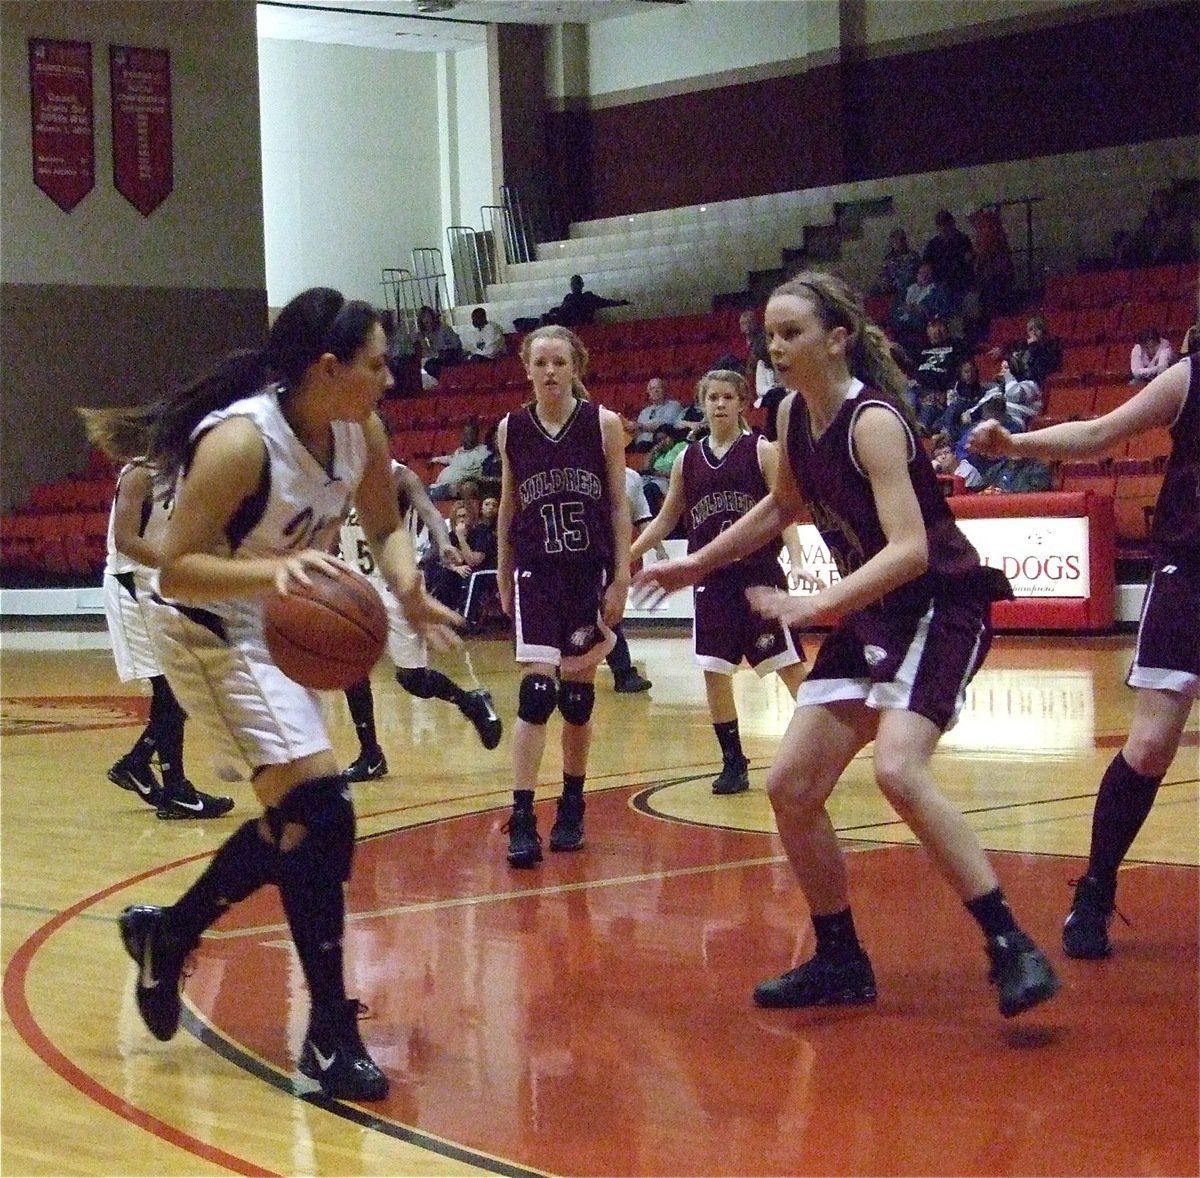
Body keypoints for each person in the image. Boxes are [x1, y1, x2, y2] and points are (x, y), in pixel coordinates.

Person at [634, 271, 1060, 1019]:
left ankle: (1010, 944)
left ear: (837, 339)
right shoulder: (793, 417)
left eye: (791, 332)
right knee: (790, 786)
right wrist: (697, 562)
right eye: (768, 334)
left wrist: (817, 602)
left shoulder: (873, 422)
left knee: (899, 767)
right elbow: (781, 507)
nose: (776, 347)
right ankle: (840, 958)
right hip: (874, 618)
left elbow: (910, 551)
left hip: (939, 607)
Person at [106, 287, 461, 1102]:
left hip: (270, 629)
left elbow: (383, 527)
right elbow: (174, 563)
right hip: (204, 631)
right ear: (328, 368)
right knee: (324, 812)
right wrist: (278, 571)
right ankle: (330, 1034)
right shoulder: (239, 445)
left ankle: (169, 934)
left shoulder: (357, 430)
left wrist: (405, 591)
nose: (390, 380)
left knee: (305, 819)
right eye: (377, 364)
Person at [969, 353, 1198, 959]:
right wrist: (1015, 443)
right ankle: (1095, 889)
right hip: (1192, 572)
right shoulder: (1190, 377)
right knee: (1150, 745)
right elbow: (1100, 433)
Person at [630, 369, 812, 794]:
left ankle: (820, 747)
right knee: (714, 671)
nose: (719, 404)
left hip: (758, 577)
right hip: (712, 580)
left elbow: (784, 512)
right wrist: (630, 557)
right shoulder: (686, 459)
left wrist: (799, 559)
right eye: (712, 397)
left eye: (728, 397)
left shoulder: (762, 451)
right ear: (702, 403)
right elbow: (665, 519)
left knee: (788, 666)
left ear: (742, 403)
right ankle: (733, 760)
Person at [496, 324, 631, 867]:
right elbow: (508, 506)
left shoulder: (603, 425)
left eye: (560, 362)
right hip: (535, 573)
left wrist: (621, 575)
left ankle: (572, 803)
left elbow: (619, 504)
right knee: (535, 695)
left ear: (577, 366)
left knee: (577, 699)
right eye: (541, 363)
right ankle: (523, 813)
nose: (550, 371)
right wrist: (504, 572)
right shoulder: (511, 429)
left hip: (587, 572)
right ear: (527, 369)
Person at [80, 431, 232, 820]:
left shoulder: (184, 476)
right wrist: (175, 564)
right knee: (170, 685)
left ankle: (137, 764)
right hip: (131, 584)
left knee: (182, 685)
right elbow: (126, 539)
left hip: (159, 585)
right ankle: (175, 788)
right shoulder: (139, 474)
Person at [339, 460, 503, 782]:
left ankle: (470, 700)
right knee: (351, 670)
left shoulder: (401, 478)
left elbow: (429, 512)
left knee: (412, 679)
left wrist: (444, 543)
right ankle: (370, 754)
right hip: (356, 586)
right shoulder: (340, 475)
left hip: (397, 585)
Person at [605, 466, 662, 695]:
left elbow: (643, 519)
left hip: (612, 555)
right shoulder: (584, 463)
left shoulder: (632, 478)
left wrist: (660, 549)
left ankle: (624, 673)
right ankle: (623, 673)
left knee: (609, 613)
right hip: (580, 552)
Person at [921, 208, 975, 305]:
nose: (943, 228)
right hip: (939, 284)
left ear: (952, 224)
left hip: (959, 284)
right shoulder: (933, 244)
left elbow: (969, 262)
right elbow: (926, 265)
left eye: (945, 225)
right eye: (940, 225)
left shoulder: (962, 240)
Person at [428, 417, 491, 501]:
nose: (467, 437)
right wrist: (435, 459)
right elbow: (451, 458)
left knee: (423, 497)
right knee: (418, 492)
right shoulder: (459, 451)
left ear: (476, 436)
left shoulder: (484, 451)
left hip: (456, 486)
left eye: (470, 434)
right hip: (441, 485)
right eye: (465, 434)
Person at [547, 274, 630, 328]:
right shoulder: (573, 298)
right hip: (576, 325)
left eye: (576, 284)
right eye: (573, 284)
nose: (574, 286)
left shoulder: (585, 297)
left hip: (579, 325)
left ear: (581, 285)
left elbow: (605, 302)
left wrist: (619, 303)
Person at [624, 377, 684, 452]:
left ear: (664, 390)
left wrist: (640, 426)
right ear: (648, 393)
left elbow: (663, 426)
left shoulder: (674, 406)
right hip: (640, 447)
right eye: (652, 389)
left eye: (659, 388)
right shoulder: (644, 412)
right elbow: (637, 434)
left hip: (660, 447)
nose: (656, 391)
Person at [412, 304, 463, 379]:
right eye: (424, 317)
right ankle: (443, 379)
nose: (427, 319)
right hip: (440, 356)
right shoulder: (426, 333)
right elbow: (428, 350)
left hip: (452, 353)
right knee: (429, 365)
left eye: (428, 316)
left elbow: (456, 344)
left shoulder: (444, 328)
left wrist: (444, 348)